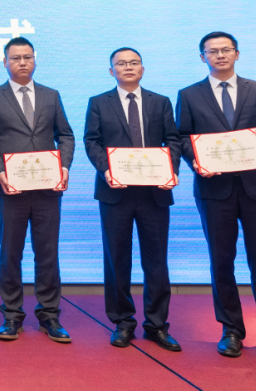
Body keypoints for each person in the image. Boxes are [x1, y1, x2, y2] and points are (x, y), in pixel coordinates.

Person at [176, 32, 256, 365]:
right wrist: (196, 161)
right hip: (214, 190)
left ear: (237, 54)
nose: (220, 55)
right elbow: (182, 137)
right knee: (221, 263)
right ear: (202, 57)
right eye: (212, 51)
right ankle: (231, 331)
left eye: (226, 50)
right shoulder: (188, 95)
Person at [83, 47, 181, 351]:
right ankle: (122, 322)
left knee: (156, 261)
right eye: (121, 63)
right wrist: (106, 171)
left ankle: (157, 325)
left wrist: (171, 170)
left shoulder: (160, 102)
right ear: (111, 71)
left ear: (142, 68)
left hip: (155, 192)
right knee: (117, 259)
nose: (128, 67)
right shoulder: (99, 102)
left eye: (134, 62)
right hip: (115, 193)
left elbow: (173, 140)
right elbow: (92, 141)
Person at [0, 37, 74, 343]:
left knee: (47, 254)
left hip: (47, 190)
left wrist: (64, 167)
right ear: (5, 62)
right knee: (10, 254)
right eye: (16, 58)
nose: (22, 62)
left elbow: (66, 135)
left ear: (35, 60)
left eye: (27, 57)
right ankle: (11, 315)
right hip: (11, 190)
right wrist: (0, 172)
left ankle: (50, 315)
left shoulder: (51, 95)